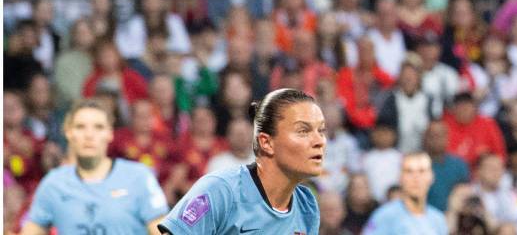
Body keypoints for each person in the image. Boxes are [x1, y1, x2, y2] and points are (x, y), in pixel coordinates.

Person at [158, 88, 324, 234]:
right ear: (266, 143)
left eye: (321, 130)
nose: (319, 141)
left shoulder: (307, 204)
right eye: (303, 131)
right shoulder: (220, 190)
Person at [22, 101, 170, 235]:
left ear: (110, 133)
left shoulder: (139, 177)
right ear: (68, 133)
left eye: (98, 127)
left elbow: (160, 229)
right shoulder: (53, 183)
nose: (89, 135)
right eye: (80, 127)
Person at [362, 152, 447, 234]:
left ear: (431, 176)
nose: (416, 178)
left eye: (422, 171)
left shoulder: (438, 220)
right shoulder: (384, 217)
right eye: (409, 171)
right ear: (400, 177)